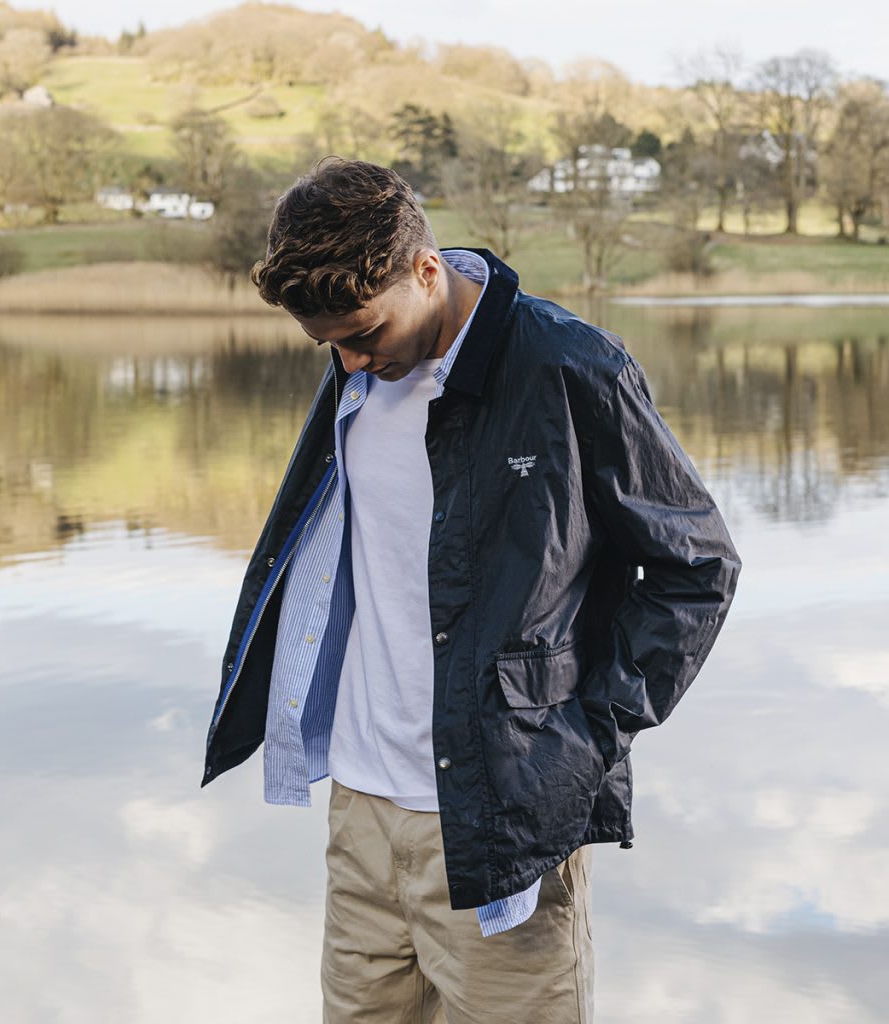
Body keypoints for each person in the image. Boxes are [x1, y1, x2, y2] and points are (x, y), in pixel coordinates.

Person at [201, 157, 741, 1023]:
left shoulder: (569, 366)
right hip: (364, 814)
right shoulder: (359, 370)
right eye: (328, 344)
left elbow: (698, 566)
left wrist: (587, 731)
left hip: (502, 818)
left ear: (425, 270)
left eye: (363, 333)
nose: (348, 359)